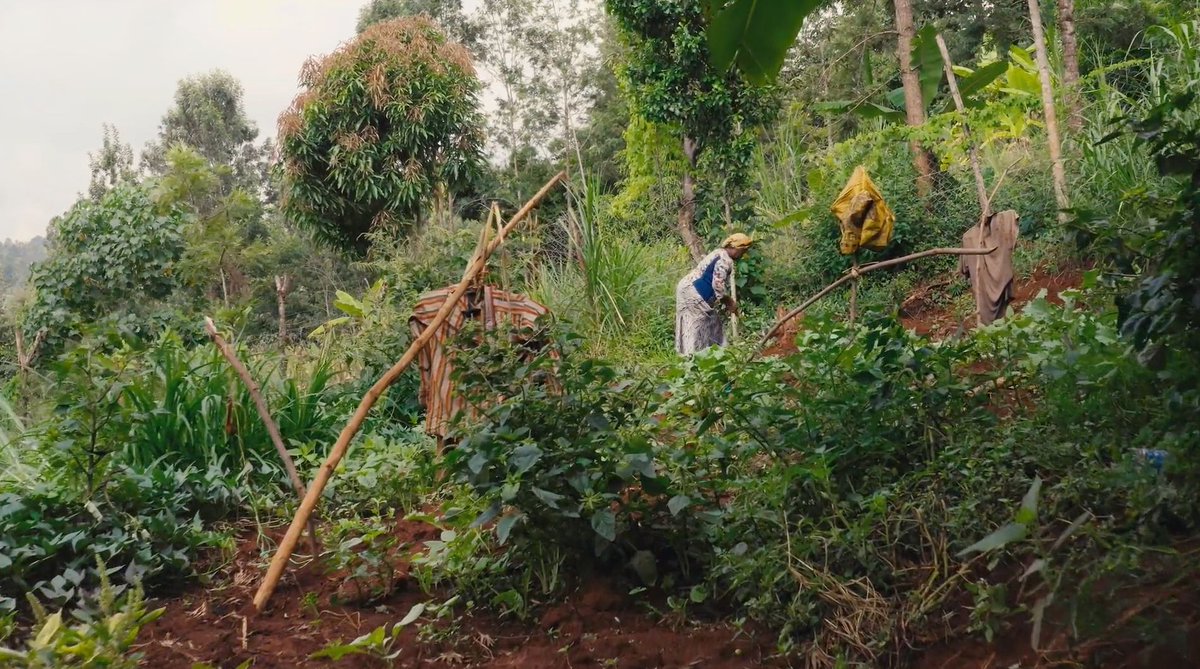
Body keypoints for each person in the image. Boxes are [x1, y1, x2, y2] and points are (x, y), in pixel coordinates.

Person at [675, 233, 754, 355]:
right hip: (694, 292)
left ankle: (715, 354)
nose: (742, 255)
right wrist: (728, 301)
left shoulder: (718, 253)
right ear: (735, 248)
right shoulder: (724, 260)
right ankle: (692, 358)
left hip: (686, 288)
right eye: (742, 251)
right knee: (696, 326)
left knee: (709, 323)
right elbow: (717, 285)